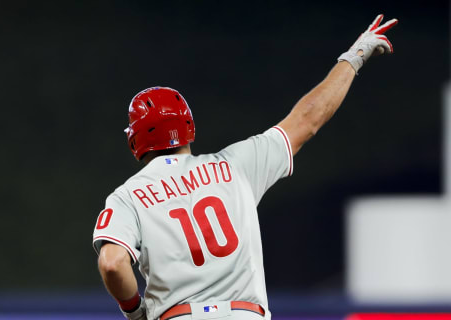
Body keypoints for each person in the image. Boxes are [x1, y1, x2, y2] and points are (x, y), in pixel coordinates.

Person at [92, 14, 398, 320]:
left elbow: (112, 262)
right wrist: (353, 58)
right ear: (189, 127)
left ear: (135, 141)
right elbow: (308, 118)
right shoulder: (236, 164)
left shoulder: (128, 196)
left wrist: (133, 310)